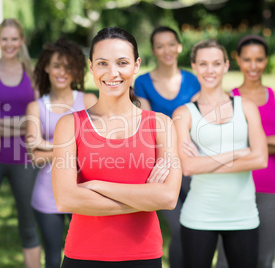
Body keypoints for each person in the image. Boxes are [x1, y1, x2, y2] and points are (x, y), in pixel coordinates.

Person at [52, 27, 182, 268]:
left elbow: (167, 197)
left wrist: (97, 187)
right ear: (91, 67)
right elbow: (66, 199)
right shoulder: (69, 125)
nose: (112, 73)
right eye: (102, 63)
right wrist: (144, 198)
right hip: (83, 256)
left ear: (136, 65)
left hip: (142, 256)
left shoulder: (160, 125)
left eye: (122, 62)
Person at [173, 39, 268, 268]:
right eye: (203, 64)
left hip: (243, 214)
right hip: (199, 215)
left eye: (216, 63)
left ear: (226, 65)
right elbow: (188, 167)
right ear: (194, 67)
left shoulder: (246, 107)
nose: (210, 70)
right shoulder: (183, 114)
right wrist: (238, 153)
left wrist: (205, 162)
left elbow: (260, 158)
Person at [216, 35, 275, 268]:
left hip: (270, 188)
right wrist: (273, 141)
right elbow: (224, 145)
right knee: (226, 259)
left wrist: (245, 143)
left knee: (264, 258)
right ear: (237, 60)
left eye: (259, 59)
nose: (253, 66)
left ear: (266, 60)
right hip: (234, 186)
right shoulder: (228, 99)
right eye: (247, 59)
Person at [0, 18, 41, 268]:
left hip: (25, 159)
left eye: (14, 39)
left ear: (21, 40)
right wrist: (21, 124)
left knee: (27, 224)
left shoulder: (33, 75)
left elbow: (37, 120)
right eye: (5, 39)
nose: (9, 44)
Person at [26, 38, 97, 268]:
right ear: (46, 66)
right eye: (57, 65)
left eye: (68, 67)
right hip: (48, 195)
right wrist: (76, 146)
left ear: (77, 70)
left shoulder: (88, 101)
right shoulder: (36, 107)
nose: (62, 72)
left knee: (89, 256)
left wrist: (46, 144)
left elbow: (96, 149)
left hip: (85, 191)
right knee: (54, 259)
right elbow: (35, 157)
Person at [134, 26, 200, 268]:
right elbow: (149, 124)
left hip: (191, 162)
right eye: (160, 46)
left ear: (179, 46)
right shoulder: (141, 83)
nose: (166, 50)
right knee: (180, 226)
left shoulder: (193, 81)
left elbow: (200, 121)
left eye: (171, 44)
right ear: (153, 50)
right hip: (160, 165)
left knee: (195, 227)